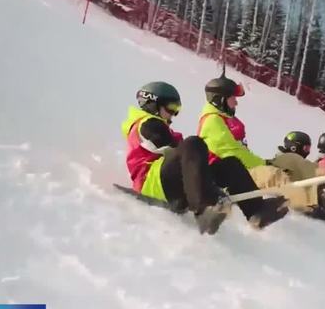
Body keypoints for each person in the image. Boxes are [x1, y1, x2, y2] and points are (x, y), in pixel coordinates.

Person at [121, 81, 288, 234]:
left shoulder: (157, 124)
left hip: (170, 182)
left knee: (230, 164)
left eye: (177, 110)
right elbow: (169, 145)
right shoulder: (146, 123)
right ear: (151, 103)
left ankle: (256, 211)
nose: (173, 114)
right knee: (193, 143)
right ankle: (203, 208)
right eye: (171, 108)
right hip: (152, 183)